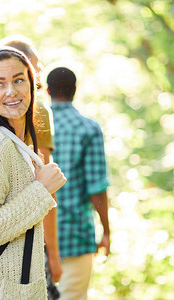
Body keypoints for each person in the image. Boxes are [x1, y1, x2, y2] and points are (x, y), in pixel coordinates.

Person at [0, 46, 66, 299]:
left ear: (32, 84)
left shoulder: (11, 142)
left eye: (19, 80)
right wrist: (41, 190)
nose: (11, 91)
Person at [46, 67, 111, 300]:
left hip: (40, 238)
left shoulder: (33, 127)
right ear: (75, 90)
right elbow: (96, 188)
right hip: (76, 235)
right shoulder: (88, 128)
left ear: (47, 90)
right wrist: (106, 230)